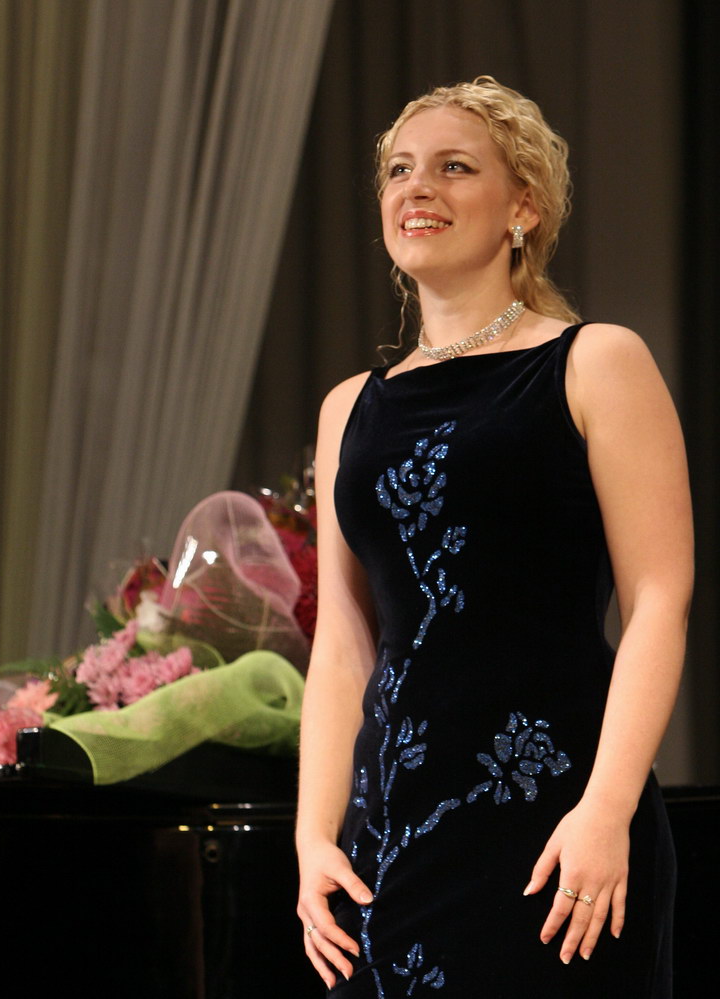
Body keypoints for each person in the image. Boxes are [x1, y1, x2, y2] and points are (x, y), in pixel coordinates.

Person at [295, 76, 692, 998]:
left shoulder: (596, 362)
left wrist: (606, 808)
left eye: (453, 167)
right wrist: (313, 835)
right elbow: (344, 644)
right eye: (399, 170)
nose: (416, 188)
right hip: (387, 841)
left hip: (557, 826)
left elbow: (659, 600)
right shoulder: (349, 407)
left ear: (524, 207)